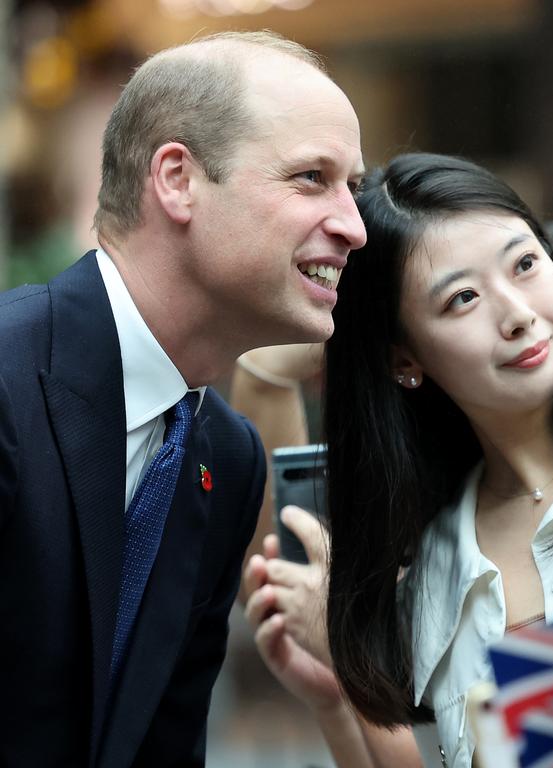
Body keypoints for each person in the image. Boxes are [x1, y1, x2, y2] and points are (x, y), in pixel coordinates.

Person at [0, 30, 367, 767]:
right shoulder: (7, 377)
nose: (354, 228)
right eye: (310, 178)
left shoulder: (226, 458)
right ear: (177, 179)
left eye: (353, 187)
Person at [244, 153, 553, 768]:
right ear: (405, 359)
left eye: (525, 263)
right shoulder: (425, 564)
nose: (517, 313)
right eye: (463, 298)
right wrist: (341, 694)